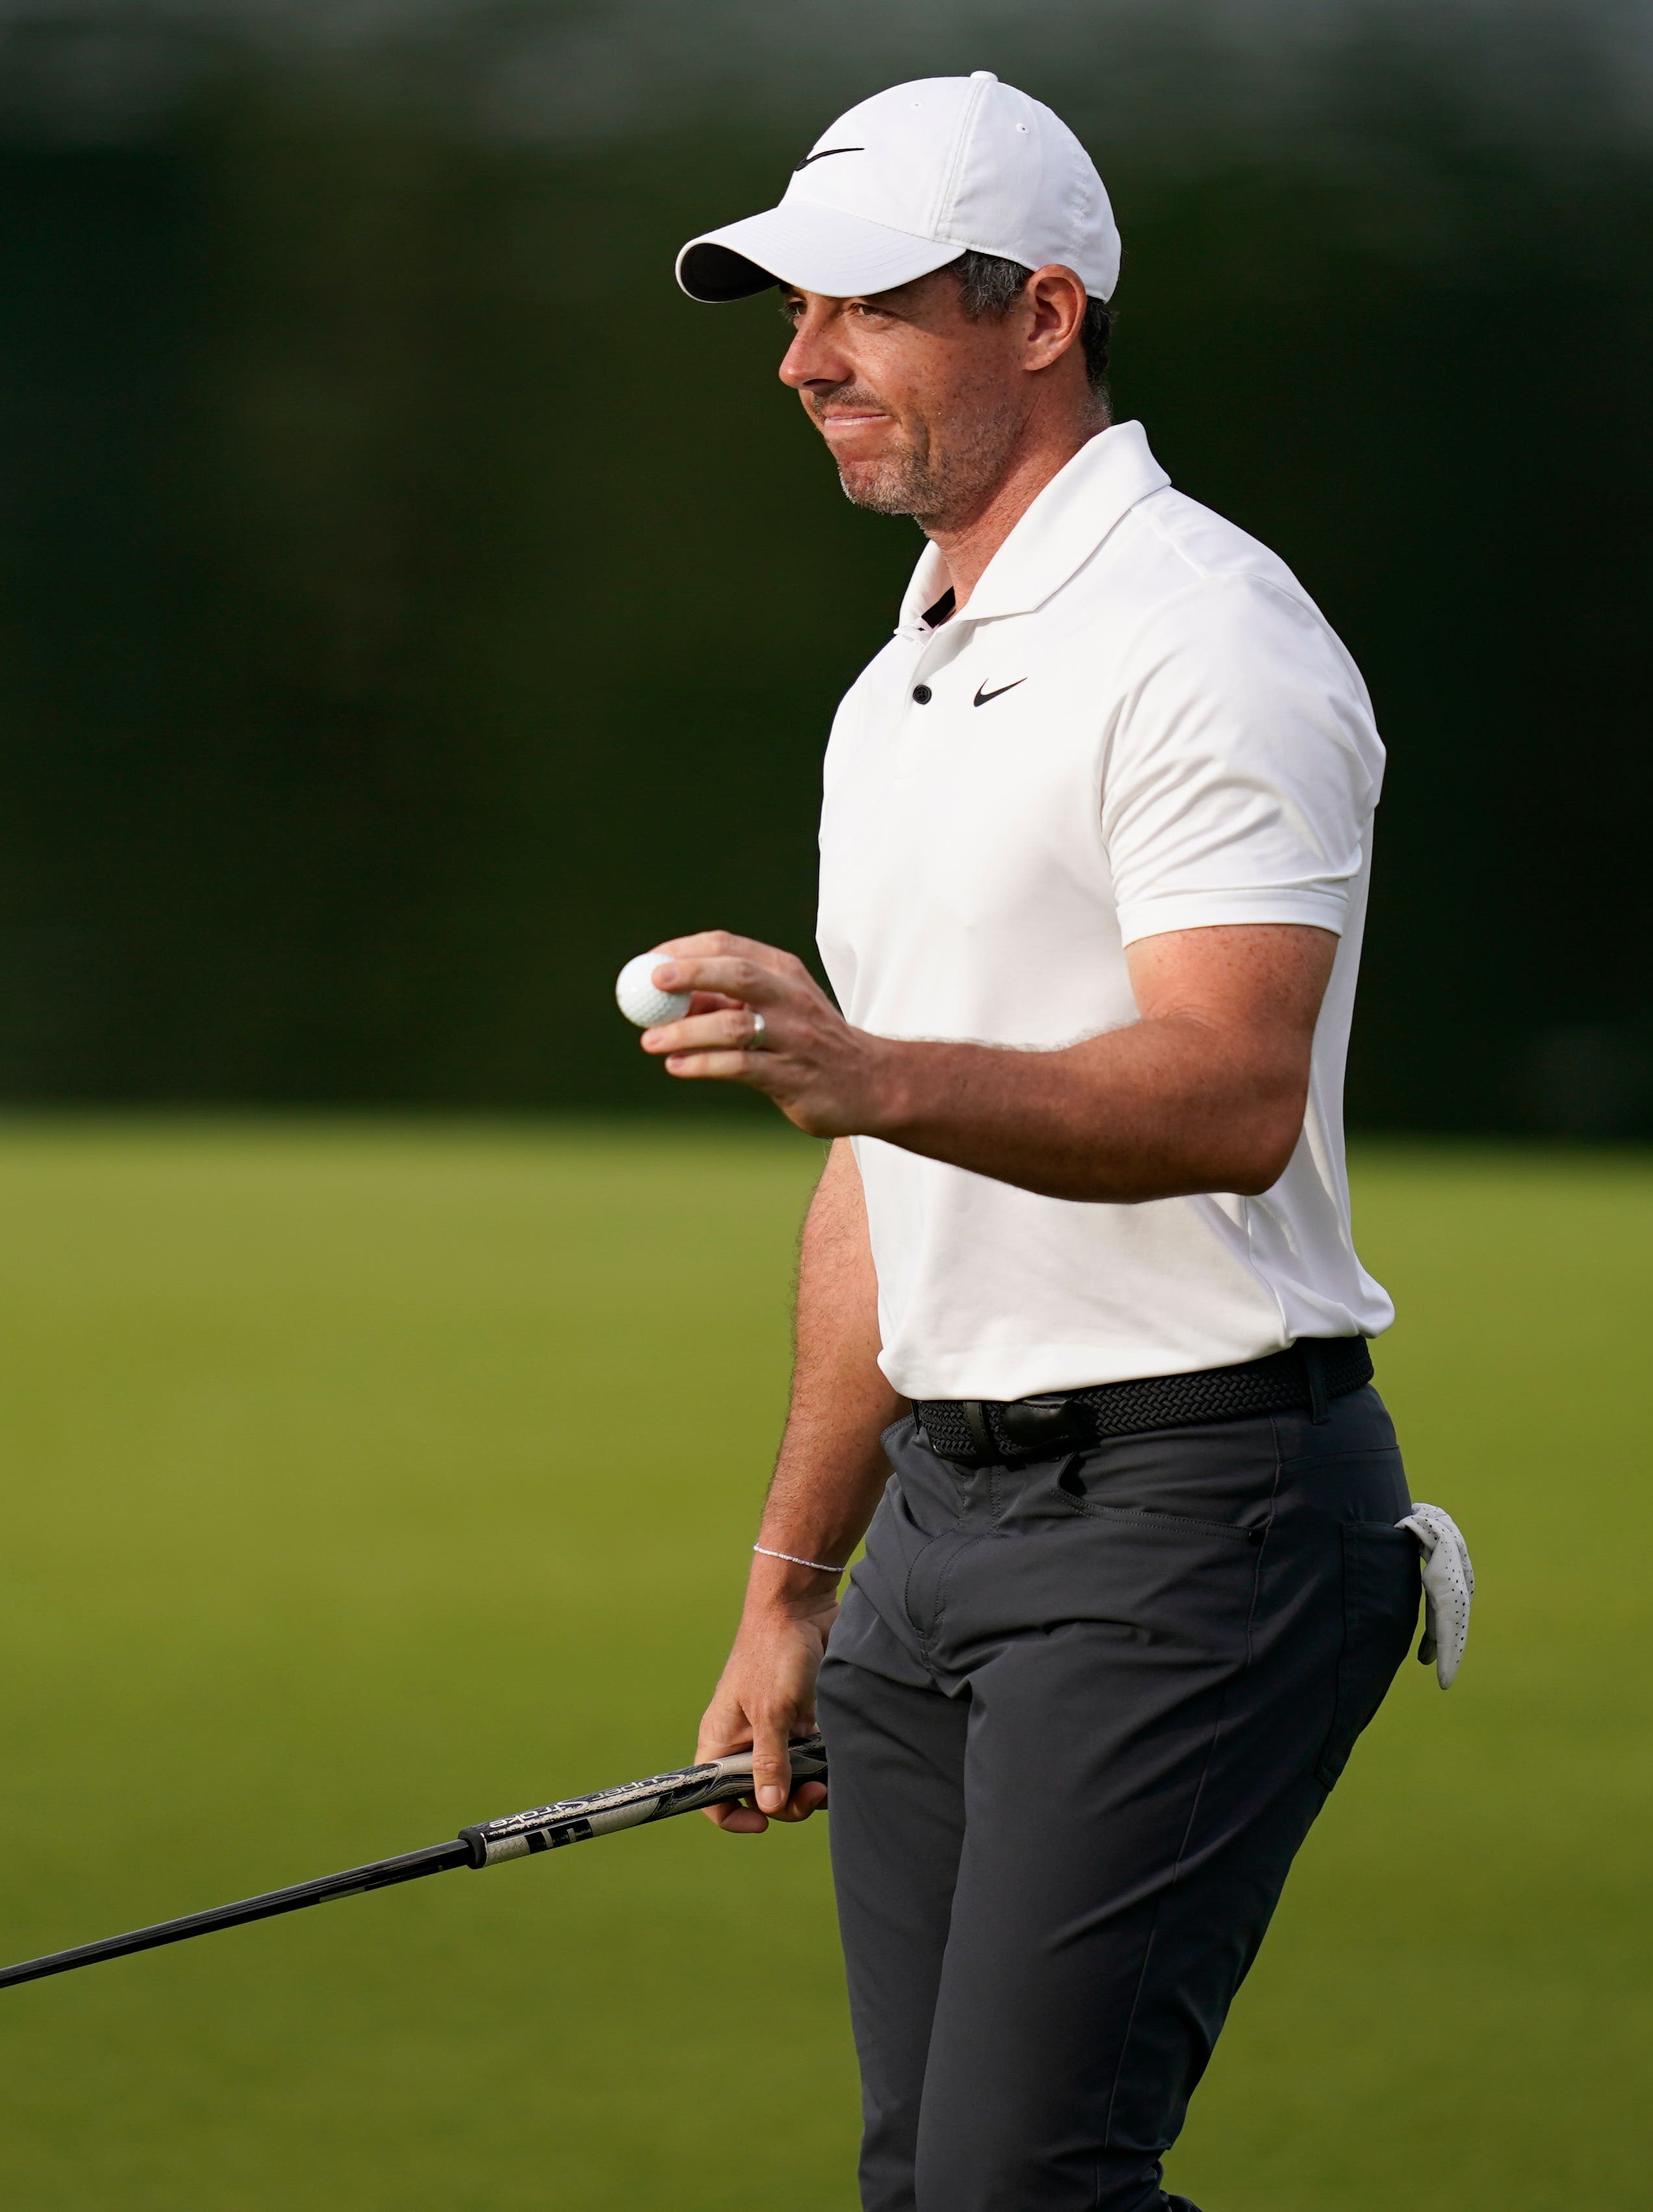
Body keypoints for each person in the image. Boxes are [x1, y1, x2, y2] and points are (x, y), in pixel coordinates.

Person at [638, 73, 1424, 2212]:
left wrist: (876, 1072)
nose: (802, 361)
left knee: (1017, 2191)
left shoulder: (1210, 641)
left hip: (1200, 1514)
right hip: (944, 1544)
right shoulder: (904, 673)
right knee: (938, 2193)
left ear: (1044, 312)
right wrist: (793, 1585)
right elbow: (879, 1179)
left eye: (864, 311)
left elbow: (1228, 1089)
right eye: (793, 313)